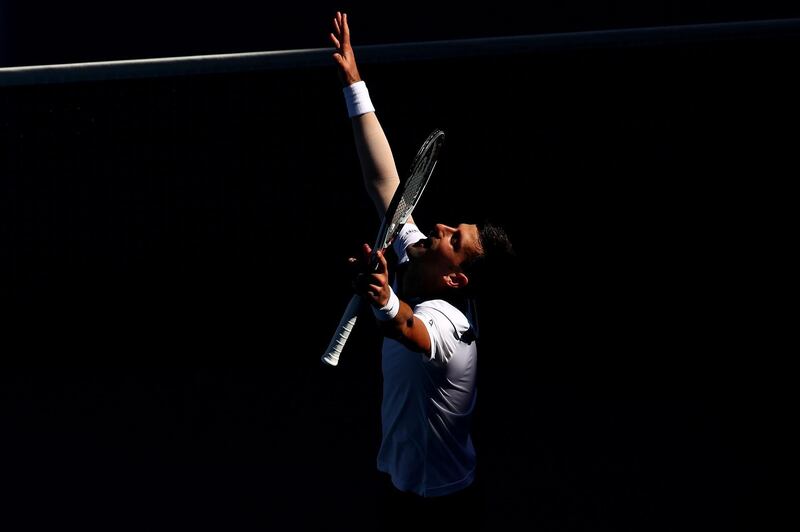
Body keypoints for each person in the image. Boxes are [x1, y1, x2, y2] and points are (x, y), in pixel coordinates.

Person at [329, 11, 515, 530]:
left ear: (457, 278)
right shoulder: (421, 262)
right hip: (397, 480)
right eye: (454, 226)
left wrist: (382, 294)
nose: (443, 226)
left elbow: (407, 327)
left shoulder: (453, 329)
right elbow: (385, 185)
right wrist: (354, 83)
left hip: (443, 504)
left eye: (456, 239)